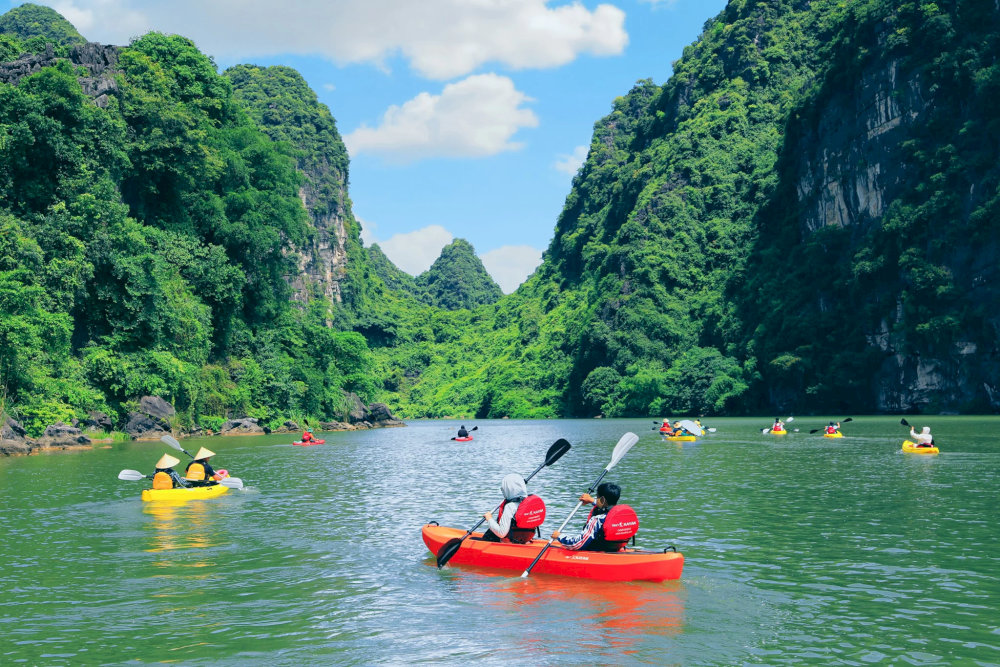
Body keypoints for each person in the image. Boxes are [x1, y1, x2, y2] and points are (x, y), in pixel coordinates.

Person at [551, 482, 637, 552]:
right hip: (614, 548)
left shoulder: (597, 520)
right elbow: (605, 505)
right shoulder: (620, 515)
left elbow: (578, 544)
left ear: (602, 499)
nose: (596, 498)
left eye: (597, 497)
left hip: (597, 550)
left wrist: (559, 536)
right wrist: (591, 500)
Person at [481, 473, 545, 543]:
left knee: (487, 536)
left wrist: (489, 519)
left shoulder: (510, 506)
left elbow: (501, 533)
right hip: (525, 539)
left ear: (507, 488)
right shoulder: (528, 503)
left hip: (510, 542)